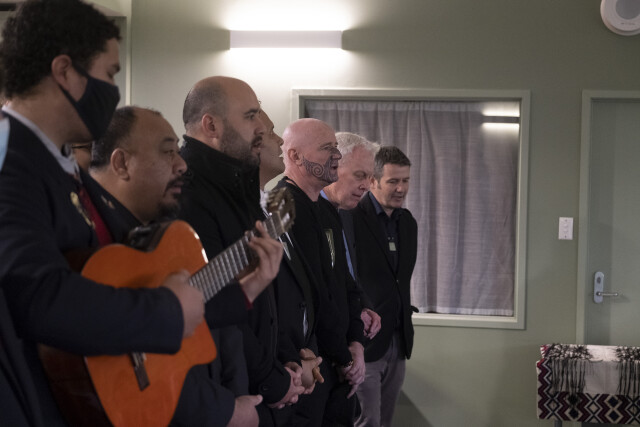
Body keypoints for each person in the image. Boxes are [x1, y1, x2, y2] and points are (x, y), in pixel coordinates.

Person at [0, 1, 203, 425]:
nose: (113, 92)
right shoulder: (10, 160)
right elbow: (39, 297)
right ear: (64, 71)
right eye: (109, 74)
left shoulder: (51, 163)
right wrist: (165, 311)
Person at [89, 105, 282, 427]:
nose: (181, 165)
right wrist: (224, 411)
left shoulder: (142, 233)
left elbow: (185, 316)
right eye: (168, 152)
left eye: (178, 152)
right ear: (121, 163)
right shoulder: (90, 241)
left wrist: (249, 287)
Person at [179, 76, 302, 426]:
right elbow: (216, 309)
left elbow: (266, 305)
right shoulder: (189, 193)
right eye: (250, 116)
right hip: (221, 394)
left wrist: (285, 363)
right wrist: (273, 381)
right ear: (211, 125)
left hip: (251, 383)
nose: (261, 127)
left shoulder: (237, 187)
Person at [276, 118, 366, 426]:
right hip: (309, 366)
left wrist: (356, 344)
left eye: (336, 148)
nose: (337, 156)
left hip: (338, 363)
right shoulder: (282, 209)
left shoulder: (327, 210)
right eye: (327, 148)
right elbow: (314, 294)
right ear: (295, 156)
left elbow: (343, 284)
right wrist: (344, 357)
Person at [258, 110, 325, 425]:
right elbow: (259, 304)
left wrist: (307, 352)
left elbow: (303, 293)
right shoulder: (279, 202)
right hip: (274, 376)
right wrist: (293, 360)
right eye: (269, 132)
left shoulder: (271, 208)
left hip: (300, 364)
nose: (278, 141)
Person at [350, 146, 418, 427]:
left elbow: (400, 281)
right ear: (373, 181)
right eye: (393, 181)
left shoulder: (408, 223)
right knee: (369, 421)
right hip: (366, 342)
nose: (401, 188)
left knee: (385, 421)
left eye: (405, 181)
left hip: (399, 341)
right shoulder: (352, 218)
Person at [322, 132, 382, 341]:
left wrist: (364, 306)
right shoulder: (303, 212)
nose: (367, 186)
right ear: (333, 167)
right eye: (359, 175)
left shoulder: (347, 213)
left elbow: (349, 275)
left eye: (369, 177)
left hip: (350, 337)